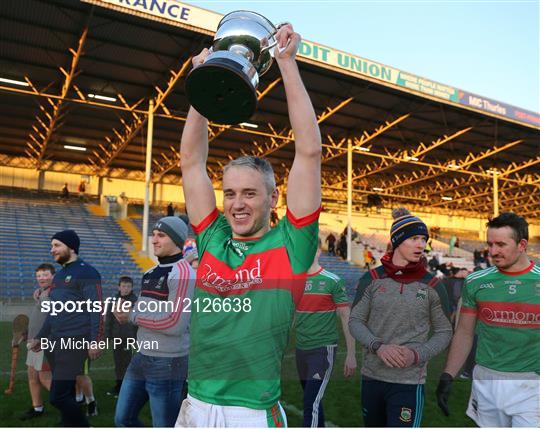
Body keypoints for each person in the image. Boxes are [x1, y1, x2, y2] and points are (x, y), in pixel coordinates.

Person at [176, 22, 321, 427]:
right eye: (231, 194)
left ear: (274, 199)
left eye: (250, 194)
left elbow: (309, 153)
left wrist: (287, 64)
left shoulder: (291, 247)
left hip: (252, 413)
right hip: (195, 405)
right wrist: (202, 84)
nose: (237, 205)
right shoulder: (213, 239)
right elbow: (191, 162)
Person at [349, 208, 452, 427]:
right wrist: (378, 346)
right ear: (397, 241)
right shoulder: (372, 279)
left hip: (408, 382)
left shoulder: (433, 285)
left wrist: (417, 354)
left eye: (423, 239)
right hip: (372, 378)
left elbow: (445, 331)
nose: (420, 245)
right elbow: (355, 321)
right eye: (414, 238)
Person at [436, 212, 540, 427]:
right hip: (486, 380)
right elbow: (464, 333)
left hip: (532, 383)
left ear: (522, 245)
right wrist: (449, 374)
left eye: (501, 244)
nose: (493, 252)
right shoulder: (475, 281)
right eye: (490, 244)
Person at [114, 216, 195, 427]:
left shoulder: (184, 274)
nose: (154, 240)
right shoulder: (150, 272)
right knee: (123, 419)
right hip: (141, 357)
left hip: (168, 362)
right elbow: (144, 311)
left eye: (161, 235)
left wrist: (132, 316)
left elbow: (175, 323)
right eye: (154, 235)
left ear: (177, 240)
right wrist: (125, 311)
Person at [30, 229, 103, 427]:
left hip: (74, 342)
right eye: (51, 245)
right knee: (67, 392)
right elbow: (54, 312)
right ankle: (68, 424)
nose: (52, 249)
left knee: (58, 396)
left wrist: (96, 341)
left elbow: (97, 309)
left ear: (71, 247)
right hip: (55, 342)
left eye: (56, 245)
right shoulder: (61, 275)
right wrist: (40, 337)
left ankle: (82, 425)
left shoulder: (87, 272)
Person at [295, 238, 356, 427]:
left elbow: (346, 317)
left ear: (318, 252)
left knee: (309, 403)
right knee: (312, 400)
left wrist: (351, 355)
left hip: (322, 351)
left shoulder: (332, 281)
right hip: (300, 349)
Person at [20, 263, 54, 421]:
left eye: (46, 275)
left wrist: (41, 339)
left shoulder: (54, 293)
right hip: (33, 342)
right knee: (32, 376)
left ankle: (70, 406)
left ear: (53, 276)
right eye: (39, 275)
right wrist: (28, 333)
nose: (42, 278)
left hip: (43, 342)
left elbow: (54, 320)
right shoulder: (40, 292)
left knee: (45, 378)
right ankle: (37, 408)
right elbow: (39, 317)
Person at [105, 276, 137, 398]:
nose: (126, 288)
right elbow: (109, 319)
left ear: (132, 287)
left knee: (127, 363)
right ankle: (119, 386)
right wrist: (108, 336)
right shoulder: (113, 300)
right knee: (118, 363)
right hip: (117, 337)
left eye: (128, 286)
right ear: (119, 287)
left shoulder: (135, 300)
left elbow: (137, 321)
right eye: (123, 286)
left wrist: (136, 337)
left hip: (129, 337)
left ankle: (127, 388)